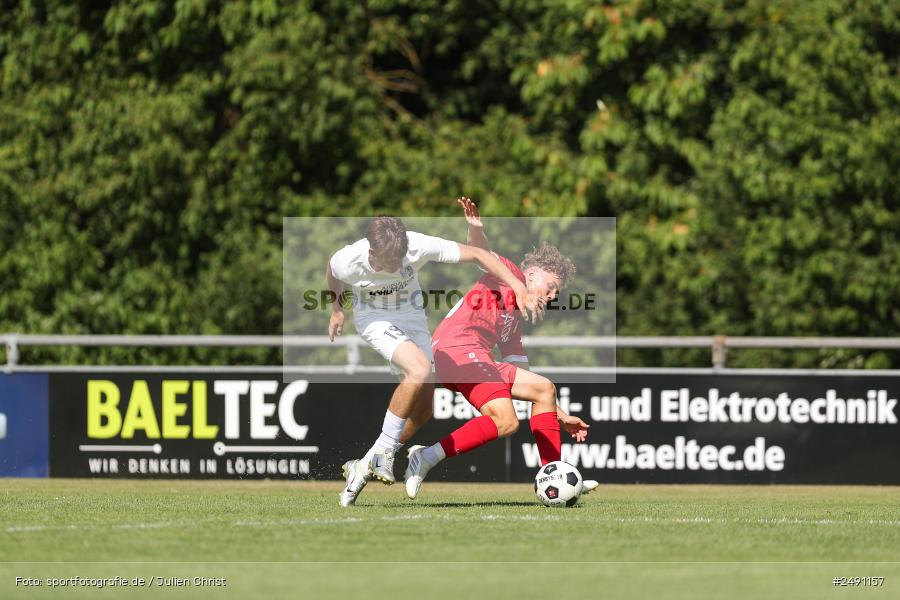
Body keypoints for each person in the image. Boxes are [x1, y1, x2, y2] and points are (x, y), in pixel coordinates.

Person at [327, 213, 539, 507]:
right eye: (390, 261)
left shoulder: (416, 245)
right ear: (372, 252)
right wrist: (337, 310)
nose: (397, 266)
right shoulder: (349, 259)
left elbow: (479, 254)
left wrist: (518, 286)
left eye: (400, 259)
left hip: (412, 317)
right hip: (374, 318)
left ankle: (361, 467)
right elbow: (332, 272)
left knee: (424, 410)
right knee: (419, 369)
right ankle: (384, 452)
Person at [404, 198, 598, 498]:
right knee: (506, 421)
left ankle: (556, 475)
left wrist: (559, 415)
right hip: (456, 350)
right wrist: (476, 229)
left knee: (544, 389)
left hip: (473, 358)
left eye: (556, 292)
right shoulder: (510, 274)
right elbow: (481, 253)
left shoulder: (512, 322)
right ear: (532, 274)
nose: (553, 296)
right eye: (551, 287)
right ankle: (426, 456)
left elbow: (525, 377)